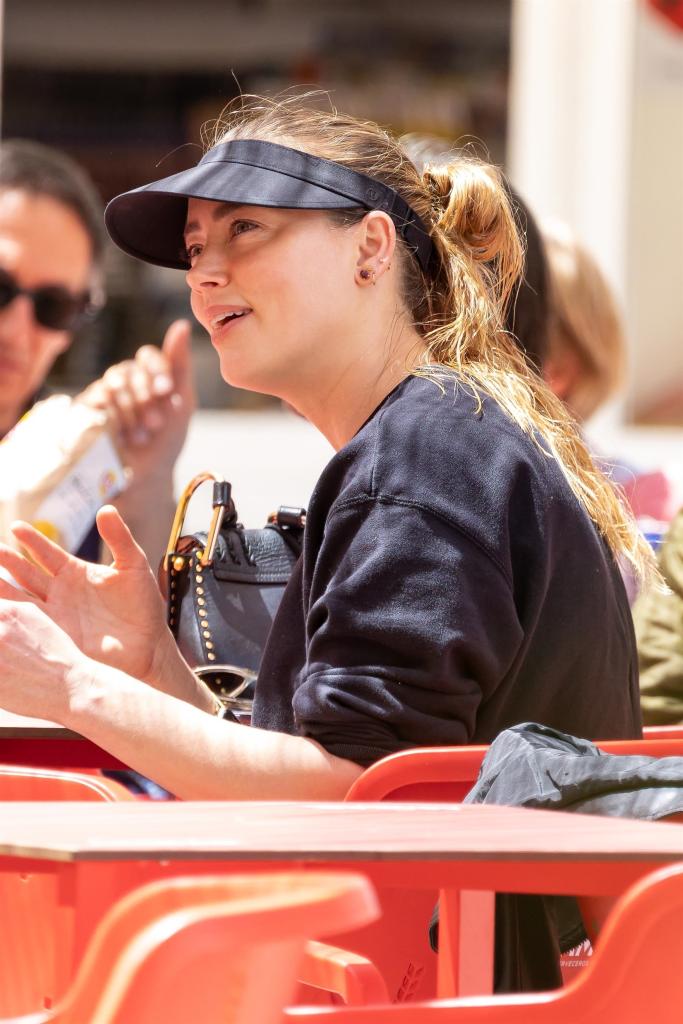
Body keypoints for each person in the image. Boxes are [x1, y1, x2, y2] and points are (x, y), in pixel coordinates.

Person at [0, 93, 651, 800]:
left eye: (244, 227)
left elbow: (355, 798)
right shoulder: (437, 432)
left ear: (370, 248)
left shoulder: (425, 455)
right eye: (194, 248)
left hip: (449, 910)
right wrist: (154, 664)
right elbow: (339, 780)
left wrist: (72, 686)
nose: (202, 274)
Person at [0, 139, 194, 567]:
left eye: (54, 306)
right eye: (0, 288)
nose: (15, 328)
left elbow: (142, 626)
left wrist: (147, 477)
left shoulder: (77, 466)